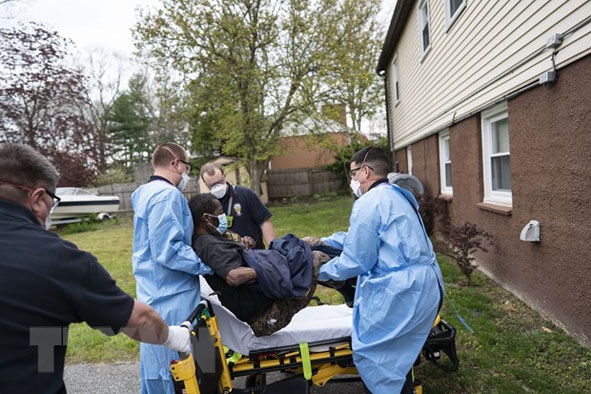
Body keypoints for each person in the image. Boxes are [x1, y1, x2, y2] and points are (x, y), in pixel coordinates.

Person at [0, 143, 193, 394]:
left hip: (43, 345)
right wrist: (175, 336)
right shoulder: (58, 259)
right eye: (52, 202)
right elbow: (138, 320)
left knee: (44, 333)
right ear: (37, 199)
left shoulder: (144, 193)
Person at [316, 147, 445, 394]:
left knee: (375, 357)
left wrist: (318, 271)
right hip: (427, 285)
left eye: (353, 174)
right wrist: (328, 241)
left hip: (403, 292)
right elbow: (371, 236)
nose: (352, 180)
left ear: (365, 171)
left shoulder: (369, 202)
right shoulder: (397, 194)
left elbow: (356, 262)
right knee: (399, 354)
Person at [131, 142, 213, 394]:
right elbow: (169, 250)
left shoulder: (143, 192)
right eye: (187, 167)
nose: (186, 175)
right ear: (176, 163)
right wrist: (209, 265)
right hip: (172, 296)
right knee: (179, 372)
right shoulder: (166, 196)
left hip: (153, 289)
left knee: (159, 367)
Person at [189, 193, 330, 336]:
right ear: (206, 218)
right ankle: (349, 284)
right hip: (265, 315)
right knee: (314, 258)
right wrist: (276, 268)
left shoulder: (216, 236)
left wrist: (245, 244)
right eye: (220, 213)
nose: (223, 216)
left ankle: (347, 282)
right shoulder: (207, 244)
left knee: (307, 244)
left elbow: (236, 255)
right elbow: (234, 276)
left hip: (266, 294)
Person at [199, 162, 275, 249]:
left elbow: (264, 221)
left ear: (224, 176)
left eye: (219, 182)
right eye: (212, 185)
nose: (217, 187)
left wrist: (273, 248)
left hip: (253, 253)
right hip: (227, 257)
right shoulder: (207, 205)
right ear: (205, 183)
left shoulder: (245, 194)